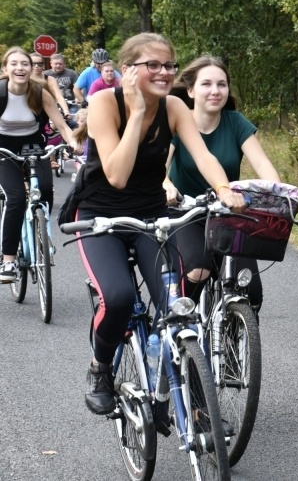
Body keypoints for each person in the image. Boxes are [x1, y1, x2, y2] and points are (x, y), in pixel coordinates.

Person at [76, 33, 246, 415]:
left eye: (169, 65)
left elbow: (202, 156)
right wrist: (136, 113)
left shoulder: (174, 107)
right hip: (100, 217)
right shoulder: (105, 103)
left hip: (151, 217)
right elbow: (117, 175)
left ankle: (189, 395)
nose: (164, 72)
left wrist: (223, 187)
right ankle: (100, 367)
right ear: (126, 71)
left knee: (179, 306)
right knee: (118, 297)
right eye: (152, 65)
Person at [163, 55, 281, 316]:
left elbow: (262, 165)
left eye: (222, 84)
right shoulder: (177, 121)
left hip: (228, 212)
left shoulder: (235, 122)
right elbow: (161, 168)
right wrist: (168, 186)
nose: (215, 91)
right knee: (198, 269)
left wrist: (280, 193)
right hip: (186, 212)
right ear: (191, 90)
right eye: (207, 84)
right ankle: (180, 318)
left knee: (250, 289)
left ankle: (237, 347)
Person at [0, 47, 77, 281]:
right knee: (15, 198)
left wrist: (73, 142)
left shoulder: (38, 92)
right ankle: (8, 261)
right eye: (14, 64)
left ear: (31, 68)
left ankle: (41, 230)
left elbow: (61, 125)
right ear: (5, 69)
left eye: (24, 64)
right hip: (3, 149)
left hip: (33, 146)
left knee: (44, 189)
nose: (20, 68)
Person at [43, 53, 80, 121]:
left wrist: (77, 97)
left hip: (70, 104)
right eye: (56, 64)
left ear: (64, 64)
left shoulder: (71, 73)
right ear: (51, 64)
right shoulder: (45, 75)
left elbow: (77, 87)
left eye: (60, 64)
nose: (58, 66)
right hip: (52, 105)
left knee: (74, 121)